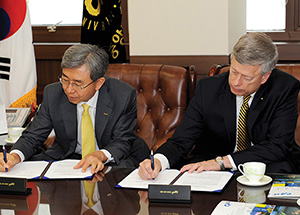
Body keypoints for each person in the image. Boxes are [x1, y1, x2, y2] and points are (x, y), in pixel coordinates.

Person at [138, 32, 300, 180]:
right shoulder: (208, 89)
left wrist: (224, 162)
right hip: (212, 166)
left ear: (265, 77)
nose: (236, 82)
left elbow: (277, 146)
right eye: (234, 72)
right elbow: (181, 140)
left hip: (266, 165)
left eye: (246, 78)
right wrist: (158, 161)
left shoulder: (284, 88)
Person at [0, 44, 149, 173]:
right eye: (65, 80)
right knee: (26, 168)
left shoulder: (122, 96)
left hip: (111, 157)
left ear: (98, 83)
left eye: (78, 83)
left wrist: (100, 155)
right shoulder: (54, 94)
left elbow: (123, 141)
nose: (69, 89)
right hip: (67, 156)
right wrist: (15, 155)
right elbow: (33, 136)